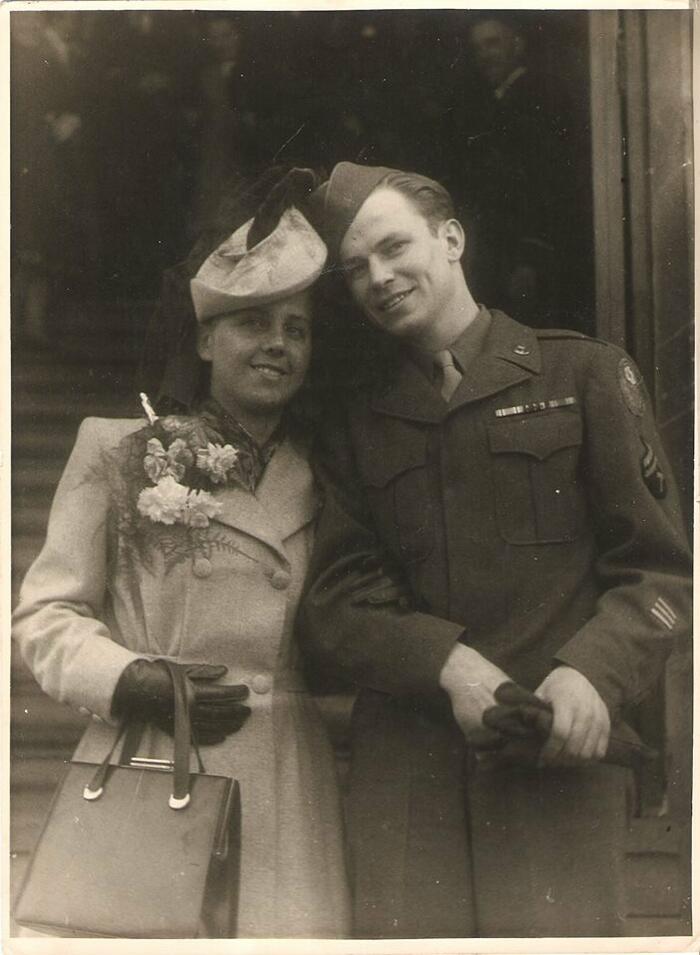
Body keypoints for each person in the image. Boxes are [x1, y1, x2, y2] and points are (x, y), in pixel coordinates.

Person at [298, 162, 692, 937]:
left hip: (557, 766)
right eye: (355, 269)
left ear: (452, 239)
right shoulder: (352, 421)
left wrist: (592, 672)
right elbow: (337, 604)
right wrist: (449, 664)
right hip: (407, 788)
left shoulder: (583, 373)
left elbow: (660, 574)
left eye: (393, 246)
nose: (377, 277)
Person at [12, 173, 351, 938]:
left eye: (296, 328)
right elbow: (44, 613)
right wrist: (128, 678)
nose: (277, 345)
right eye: (252, 323)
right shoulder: (119, 451)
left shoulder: (329, 475)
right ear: (204, 338)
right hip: (155, 757)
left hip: (288, 780)